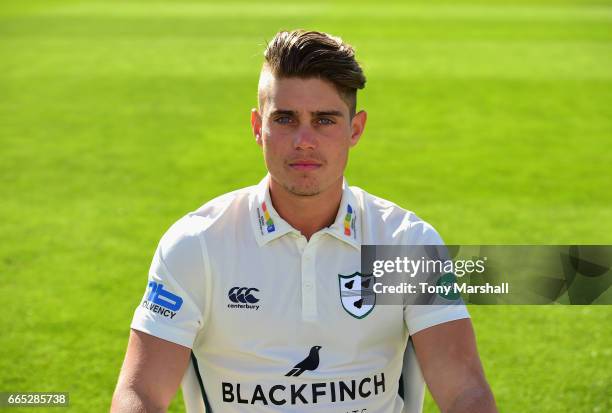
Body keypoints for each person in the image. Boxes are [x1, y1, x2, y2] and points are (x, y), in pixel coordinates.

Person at [111, 29, 497, 413]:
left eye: (325, 120)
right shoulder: (198, 244)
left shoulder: (404, 241)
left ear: (355, 129)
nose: (304, 140)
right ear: (257, 128)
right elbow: (141, 392)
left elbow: (464, 390)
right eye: (284, 119)